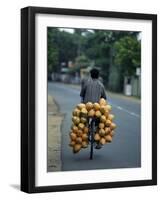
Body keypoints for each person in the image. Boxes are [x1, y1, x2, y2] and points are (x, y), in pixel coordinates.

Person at [80, 68, 107, 149]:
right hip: (97, 109)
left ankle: (84, 139)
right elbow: (104, 97)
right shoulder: (101, 85)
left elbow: (82, 94)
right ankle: (99, 143)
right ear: (98, 76)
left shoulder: (86, 84)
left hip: (86, 108)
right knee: (101, 124)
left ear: (90, 75)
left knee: (83, 122)